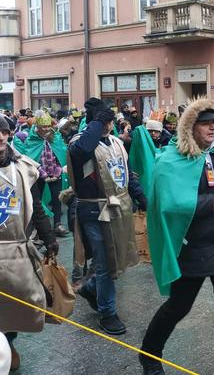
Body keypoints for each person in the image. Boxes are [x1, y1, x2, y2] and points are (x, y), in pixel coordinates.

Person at [141, 97, 214, 375]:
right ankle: (150, 354)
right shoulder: (172, 159)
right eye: (205, 123)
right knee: (179, 306)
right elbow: (171, 202)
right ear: (191, 126)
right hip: (194, 247)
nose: (212, 128)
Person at [68, 98, 147, 335]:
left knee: (116, 259)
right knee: (105, 261)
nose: (108, 125)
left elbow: (125, 172)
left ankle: (91, 287)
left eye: (109, 120)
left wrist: (140, 195)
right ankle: (107, 312)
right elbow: (84, 148)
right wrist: (96, 119)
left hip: (119, 209)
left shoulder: (115, 143)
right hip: (94, 212)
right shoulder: (78, 144)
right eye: (104, 121)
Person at [0, 114, 59, 372]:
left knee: (15, 302)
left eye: (3, 132)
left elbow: (36, 208)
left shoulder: (23, 167)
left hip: (16, 249)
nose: (0, 137)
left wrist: (48, 236)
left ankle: (8, 342)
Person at [13, 110, 69, 237]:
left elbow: (60, 154)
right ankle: (37, 228)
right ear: (37, 126)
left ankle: (58, 224)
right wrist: (43, 174)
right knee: (36, 201)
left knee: (57, 198)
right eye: (44, 126)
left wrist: (58, 172)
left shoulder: (55, 136)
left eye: (48, 126)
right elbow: (30, 159)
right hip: (38, 174)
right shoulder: (31, 138)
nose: (47, 129)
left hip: (55, 173)